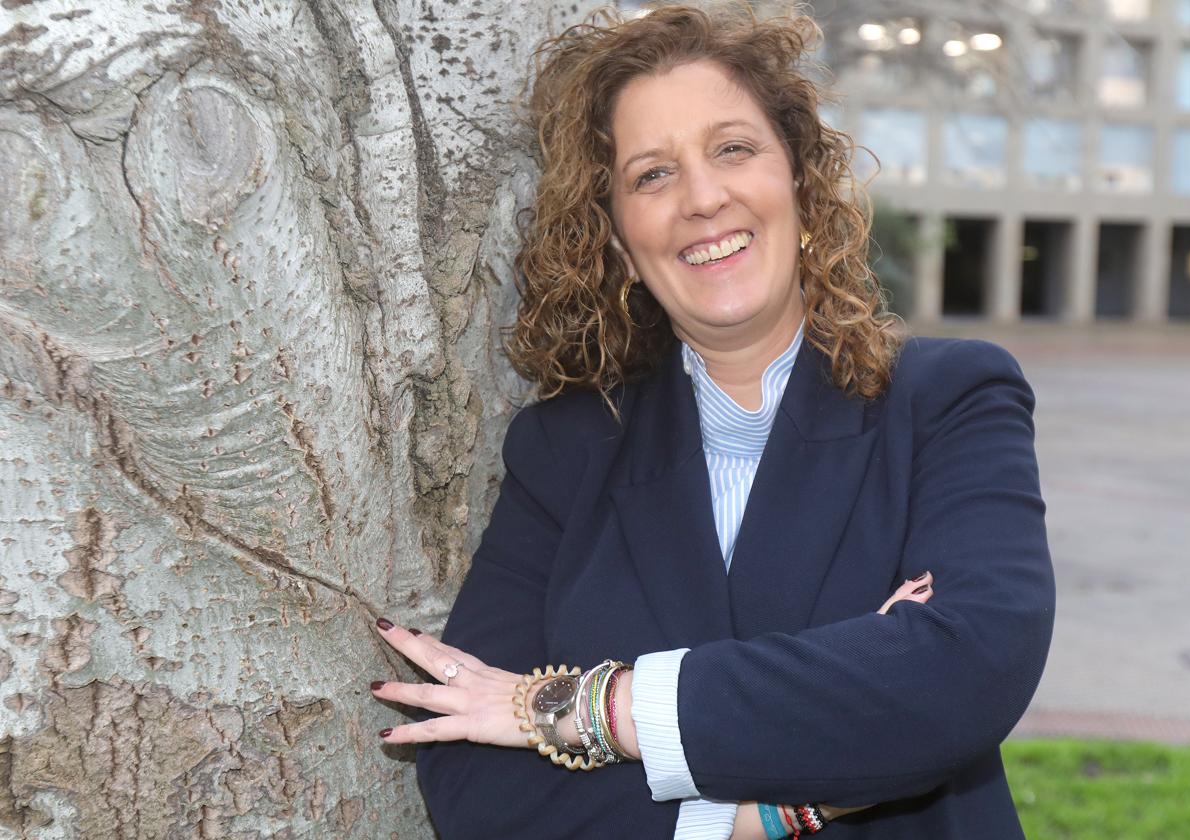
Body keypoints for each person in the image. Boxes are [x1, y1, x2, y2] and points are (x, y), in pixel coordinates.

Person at [368, 5, 1055, 838]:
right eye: (651, 175)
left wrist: (591, 709)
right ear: (620, 240)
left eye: (732, 149)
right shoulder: (566, 450)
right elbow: (478, 786)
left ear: (799, 179)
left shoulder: (946, 400)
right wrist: (772, 807)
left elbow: (964, 675)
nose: (701, 198)